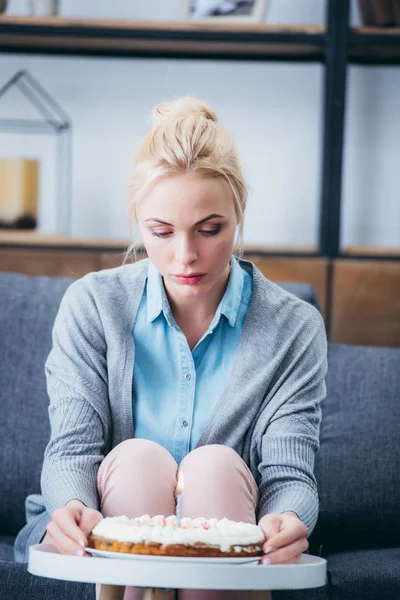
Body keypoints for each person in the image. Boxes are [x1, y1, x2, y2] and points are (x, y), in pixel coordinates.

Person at [14, 97, 328, 600]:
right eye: (160, 232)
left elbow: (289, 472)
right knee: (138, 459)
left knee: (215, 465)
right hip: (107, 535)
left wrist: (288, 517)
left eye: (210, 230)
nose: (185, 256)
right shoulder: (93, 305)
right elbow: (71, 448)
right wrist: (71, 503)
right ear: (138, 219)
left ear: (239, 213)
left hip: (231, 531)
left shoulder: (293, 328)